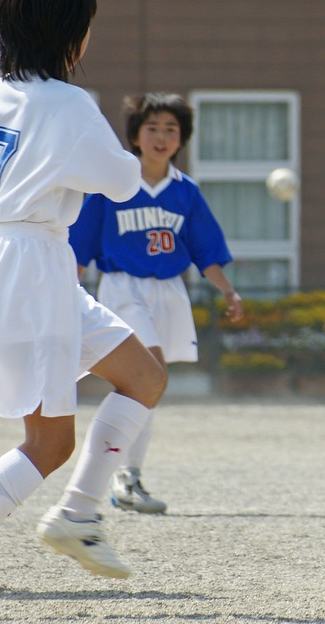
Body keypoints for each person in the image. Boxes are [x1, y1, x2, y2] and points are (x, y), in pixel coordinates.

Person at [0, 0, 169, 602]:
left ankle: (80, 515)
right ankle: (75, 516)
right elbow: (122, 182)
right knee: (49, 441)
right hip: (34, 267)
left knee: (144, 377)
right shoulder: (69, 104)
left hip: (11, 261)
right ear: (72, 37)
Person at [68, 92, 245, 514]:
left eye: (171, 129)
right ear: (134, 135)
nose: (162, 136)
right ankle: (122, 478)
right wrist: (65, 296)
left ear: (182, 139)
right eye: (152, 128)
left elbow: (205, 250)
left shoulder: (186, 193)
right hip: (122, 288)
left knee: (149, 384)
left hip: (169, 292)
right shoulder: (112, 187)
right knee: (149, 373)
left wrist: (228, 290)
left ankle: (127, 474)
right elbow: (80, 248)